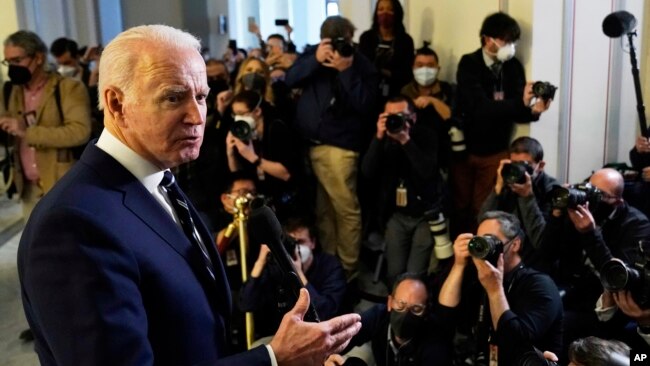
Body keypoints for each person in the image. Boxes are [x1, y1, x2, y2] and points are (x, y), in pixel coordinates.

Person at [17, 24, 361, 366]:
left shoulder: (158, 174)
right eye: (173, 97)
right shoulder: (72, 225)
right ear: (117, 103)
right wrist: (274, 358)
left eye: (201, 96)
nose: (197, 116)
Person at [285, 16, 379, 277]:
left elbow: (366, 104)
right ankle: (328, 264)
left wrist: (346, 70)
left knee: (345, 210)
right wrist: (316, 59)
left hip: (340, 148)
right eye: (332, 41)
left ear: (351, 37)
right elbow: (290, 79)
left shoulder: (361, 64)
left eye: (344, 41)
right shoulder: (313, 56)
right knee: (324, 212)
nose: (338, 46)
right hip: (311, 146)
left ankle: (347, 269)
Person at [452, 12, 552, 236]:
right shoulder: (469, 64)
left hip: (496, 149)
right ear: (488, 39)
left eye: (514, 42)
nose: (511, 46)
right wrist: (520, 104)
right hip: (464, 149)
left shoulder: (513, 67)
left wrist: (534, 111)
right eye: (507, 41)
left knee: (482, 207)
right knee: (459, 205)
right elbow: (479, 108)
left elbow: (518, 111)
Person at [439, 211, 563, 365]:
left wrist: (494, 290)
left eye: (491, 240)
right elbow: (445, 315)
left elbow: (515, 342)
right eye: (480, 240)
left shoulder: (540, 285)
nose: (483, 247)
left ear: (515, 244)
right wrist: (459, 265)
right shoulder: (480, 276)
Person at [0, 30, 91, 218]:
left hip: (62, 187)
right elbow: (9, 136)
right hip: (28, 189)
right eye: (8, 62)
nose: (12, 68)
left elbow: (80, 131)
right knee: (33, 246)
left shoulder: (68, 88)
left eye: (17, 61)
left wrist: (28, 132)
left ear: (39, 58)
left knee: (68, 244)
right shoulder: (10, 91)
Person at [361, 96, 448, 285]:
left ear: (413, 118)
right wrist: (378, 137)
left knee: (415, 273)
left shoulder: (426, 135)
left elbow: (427, 172)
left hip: (425, 214)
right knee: (394, 272)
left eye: (400, 116)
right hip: (396, 215)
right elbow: (367, 171)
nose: (395, 121)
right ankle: (396, 306)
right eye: (389, 116)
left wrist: (405, 140)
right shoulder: (382, 139)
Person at [240, 217, 347, 340]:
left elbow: (325, 312)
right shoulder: (276, 268)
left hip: (326, 335)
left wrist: (299, 274)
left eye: (300, 242)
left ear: (313, 243)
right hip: (288, 337)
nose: (296, 248)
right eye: (291, 243)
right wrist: (260, 261)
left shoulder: (330, 265)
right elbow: (246, 304)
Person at [325, 272, 454, 366]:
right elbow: (342, 338)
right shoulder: (379, 316)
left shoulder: (436, 346)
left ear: (426, 311)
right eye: (400, 305)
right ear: (390, 302)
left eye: (416, 309)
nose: (405, 314)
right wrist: (326, 357)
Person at [479, 137, 559, 268]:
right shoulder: (507, 182)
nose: (519, 169)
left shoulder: (551, 190)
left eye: (525, 164)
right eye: (515, 164)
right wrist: (497, 189)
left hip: (537, 262)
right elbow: (482, 220)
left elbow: (541, 242)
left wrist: (527, 197)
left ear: (540, 166)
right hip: (506, 256)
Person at [359, 0, 414, 100]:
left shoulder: (405, 40)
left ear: (397, 13)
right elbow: (362, 67)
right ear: (376, 13)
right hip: (370, 92)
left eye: (390, 10)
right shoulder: (366, 38)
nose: (385, 13)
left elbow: (408, 73)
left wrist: (387, 73)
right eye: (380, 9)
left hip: (398, 93)